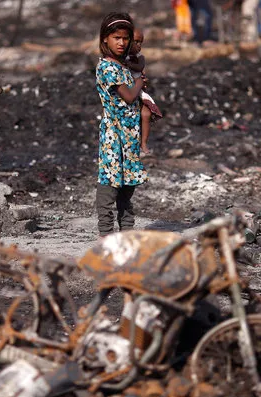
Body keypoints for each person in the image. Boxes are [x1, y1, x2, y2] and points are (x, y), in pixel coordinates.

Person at [95, 12, 147, 236]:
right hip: (114, 134)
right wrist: (138, 82)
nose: (122, 42)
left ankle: (127, 234)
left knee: (127, 188)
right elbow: (127, 96)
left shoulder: (123, 65)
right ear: (105, 38)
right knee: (110, 184)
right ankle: (106, 235)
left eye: (125, 38)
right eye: (116, 37)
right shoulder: (107, 67)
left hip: (129, 135)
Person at [125, 28, 163, 156]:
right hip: (127, 92)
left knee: (146, 114)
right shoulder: (118, 59)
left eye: (140, 42)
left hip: (138, 91)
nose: (138, 45)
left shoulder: (139, 58)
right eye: (135, 41)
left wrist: (128, 64)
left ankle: (144, 143)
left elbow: (139, 67)